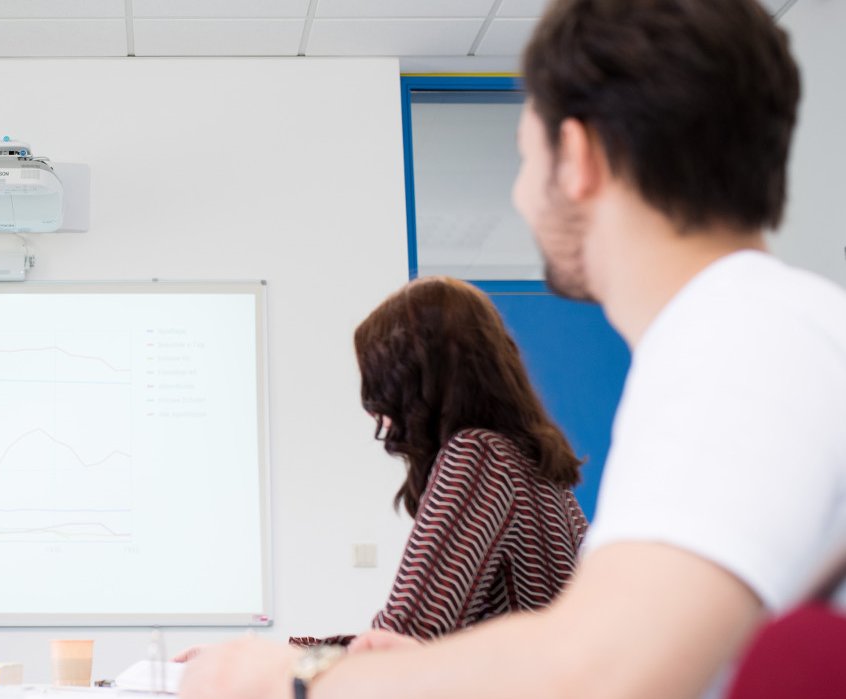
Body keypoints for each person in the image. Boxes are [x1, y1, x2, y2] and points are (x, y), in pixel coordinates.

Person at [179, 0, 846, 697]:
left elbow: (599, 670)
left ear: (577, 159)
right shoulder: (761, 335)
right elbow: (600, 640)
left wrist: (293, 675)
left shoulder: (743, 347)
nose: (523, 195)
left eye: (524, 156)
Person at [292, 277, 587, 650]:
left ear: (414, 381)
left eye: (382, 389)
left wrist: (273, 661)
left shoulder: (480, 456)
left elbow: (400, 639)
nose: (380, 417)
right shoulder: (538, 463)